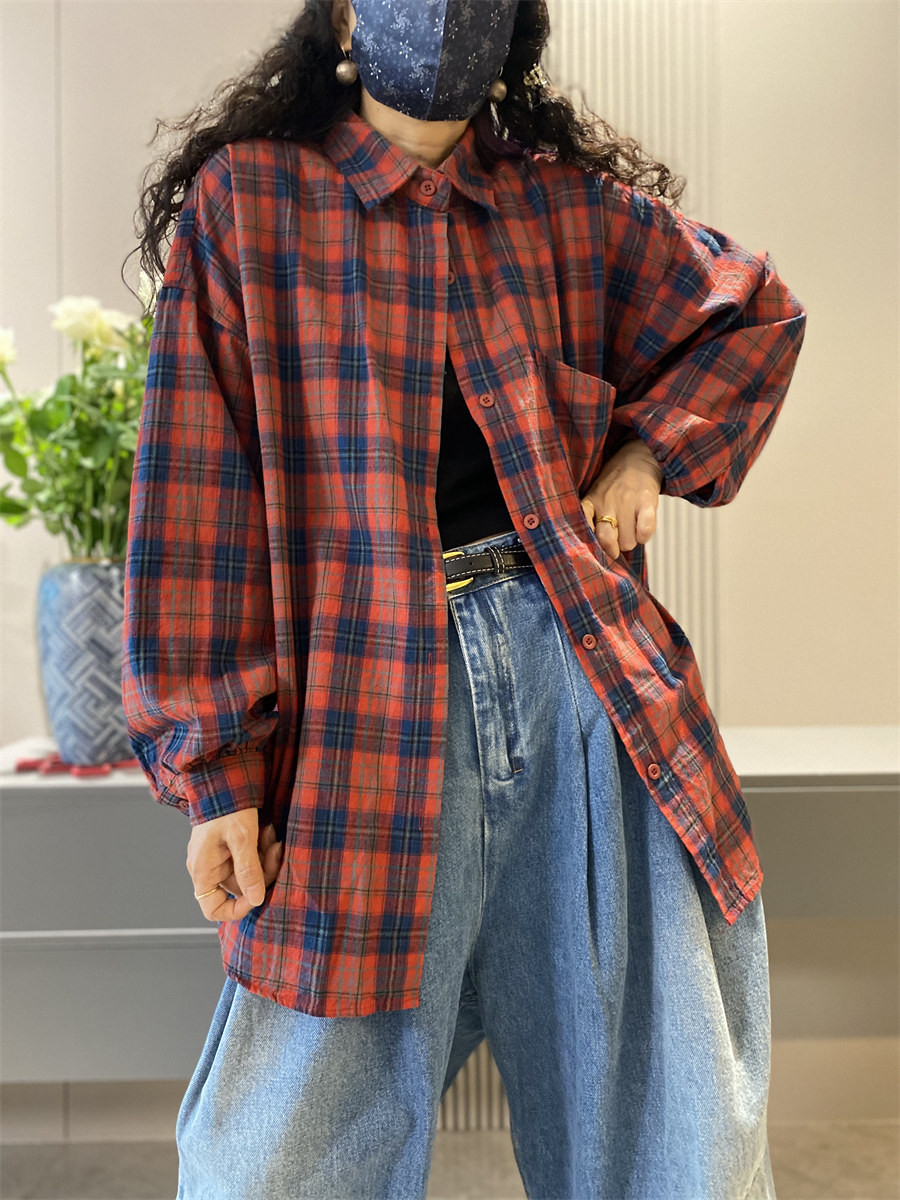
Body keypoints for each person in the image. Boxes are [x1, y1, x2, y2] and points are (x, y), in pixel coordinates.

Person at [121, 1, 806, 1196]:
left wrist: (646, 455)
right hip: (365, 710)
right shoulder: (254, 205)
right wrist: (217, 776)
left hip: (584, 687)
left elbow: (753, 312)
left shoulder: (561, 207)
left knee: (667, 1146)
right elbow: (197, 496)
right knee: (278, 1161)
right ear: (345, 13)